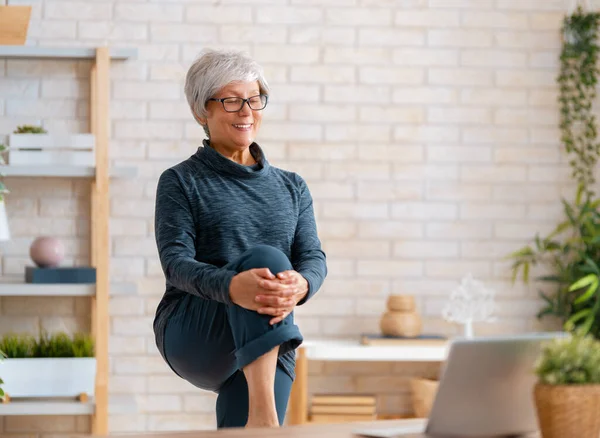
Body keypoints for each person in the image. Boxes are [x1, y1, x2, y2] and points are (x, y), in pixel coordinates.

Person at [152, 49, 327, 429]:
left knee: (278, 276)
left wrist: (303, 283)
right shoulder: (181, 181)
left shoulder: (292, 186)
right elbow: (176, 264)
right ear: (202, 112)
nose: (246, 111)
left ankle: (259, 424)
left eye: (254, 99)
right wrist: (233, 286)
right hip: (195, 327)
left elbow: (312, 256)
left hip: (267, 330)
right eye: (231, 101)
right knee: (267, 260)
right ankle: (266, 422)